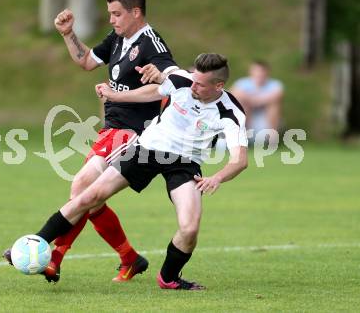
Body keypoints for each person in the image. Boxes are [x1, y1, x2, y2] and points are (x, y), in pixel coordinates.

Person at [3, 0, 178, 283]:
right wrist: (68, 34)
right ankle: (129, 258)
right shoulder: (119, 39)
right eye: (110, 13)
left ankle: (50, 254)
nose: (111, 20)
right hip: (111, 129)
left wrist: (119, 96)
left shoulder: (151, 44)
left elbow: (168, 84)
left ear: (136, 12)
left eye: (117, 14)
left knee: (82, 186)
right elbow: (86, 62)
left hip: (135, 133)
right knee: (90, 198)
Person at [30, 53, 248, 290]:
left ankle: (168, 278)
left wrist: (217, 177)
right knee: (91, 196)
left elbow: (240, 160)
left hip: (184, 163)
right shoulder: (182, 80)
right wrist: (114, 95)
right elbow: (153, 91)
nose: (193, 84)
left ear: (219, 85)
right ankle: (36, 241)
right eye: (193, 79)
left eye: (200, 84)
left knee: (190, 227)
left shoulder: (231, 112)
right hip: (146, 149)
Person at [230, 60, 283, 142]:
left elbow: (276, 96)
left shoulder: (275, 84)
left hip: (265, 119)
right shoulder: (242, 83)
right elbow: (233, 95)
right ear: (251, 72)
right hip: (247, 117)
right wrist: (257, 100)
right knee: (242, 104)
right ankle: (241, 134)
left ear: (267, 72)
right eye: (256, 70)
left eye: (261, 71)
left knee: (274, 105)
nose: (259, 73)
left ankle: (272, 140)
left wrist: (251, 100)